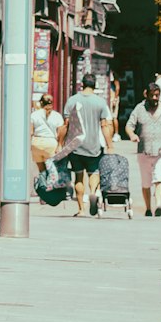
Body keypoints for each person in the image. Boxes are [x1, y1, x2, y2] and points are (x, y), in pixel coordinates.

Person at [124, 82, 161, 217]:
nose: (155, 98)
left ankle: (158, 204)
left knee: (160, 178)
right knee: (146, 182)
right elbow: (129, 126)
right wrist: (132, 135)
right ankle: (148, 208)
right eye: (152, 95)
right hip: (144, 151)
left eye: (157, 95)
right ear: (146, 94)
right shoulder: (139, 108)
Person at [59, 74, 110, 216]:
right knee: (94, 173)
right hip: (94, 146)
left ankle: (81, 209)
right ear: (95, 85)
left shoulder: (72, 100)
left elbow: (65, 125)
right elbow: (105, 125)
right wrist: (110, 144)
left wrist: (60, 144)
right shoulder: (100, 102)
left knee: (78, 177)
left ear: (82, 84)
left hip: (75, 147)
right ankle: (93, 192)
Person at [30, 93, 63, 172]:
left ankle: (42, 183)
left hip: (37, 143)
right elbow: (60, 132)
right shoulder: (57, 116)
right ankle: (50, 183)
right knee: (52, 170)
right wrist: (60, 145)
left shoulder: (34, 115)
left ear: (41, 103)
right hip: (51, 143)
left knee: (41, 170)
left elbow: (31, 132)